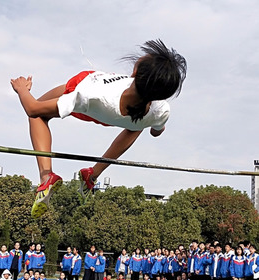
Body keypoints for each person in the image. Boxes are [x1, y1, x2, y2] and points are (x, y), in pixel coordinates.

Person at [10, 39, 187, 219]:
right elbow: (157, 131)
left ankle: (46, 176)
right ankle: (92, 175)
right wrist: (156, 127)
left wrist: (22, 89)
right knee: (138, 125)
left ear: (135, 71)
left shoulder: (90, 95)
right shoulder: (161, 111)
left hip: (86, 98)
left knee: (38, 116)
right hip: (122, 117)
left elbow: (32, 109)